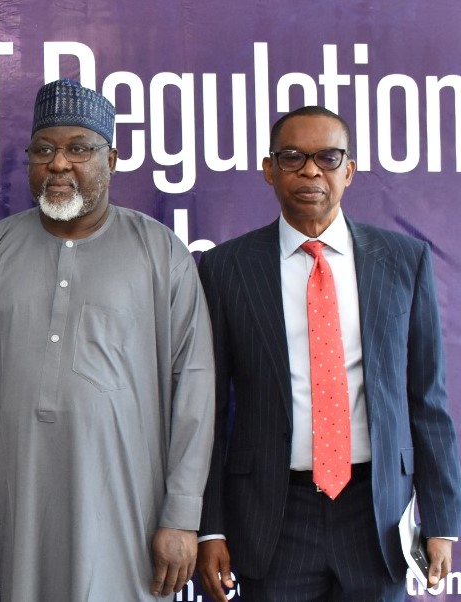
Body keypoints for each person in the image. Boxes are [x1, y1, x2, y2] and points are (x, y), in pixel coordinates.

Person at [0, 79, 215, 600]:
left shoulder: (160, 253)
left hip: (131, 509)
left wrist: (183, 515)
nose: (58, 164)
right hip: (25, 503)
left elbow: (195, 388)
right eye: (43, 150)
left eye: (78, 149)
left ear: (110, 160)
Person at [196, 106, 461, 601]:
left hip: (377, 516)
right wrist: (210, 527)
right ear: (269, 169)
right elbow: (207, 409)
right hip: (273, 516)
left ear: (350, 170)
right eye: (293, 157)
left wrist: (443, 520)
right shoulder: (226, 268)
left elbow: (428, 400)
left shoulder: (404, 260)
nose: (311, 171)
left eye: (328, 157)